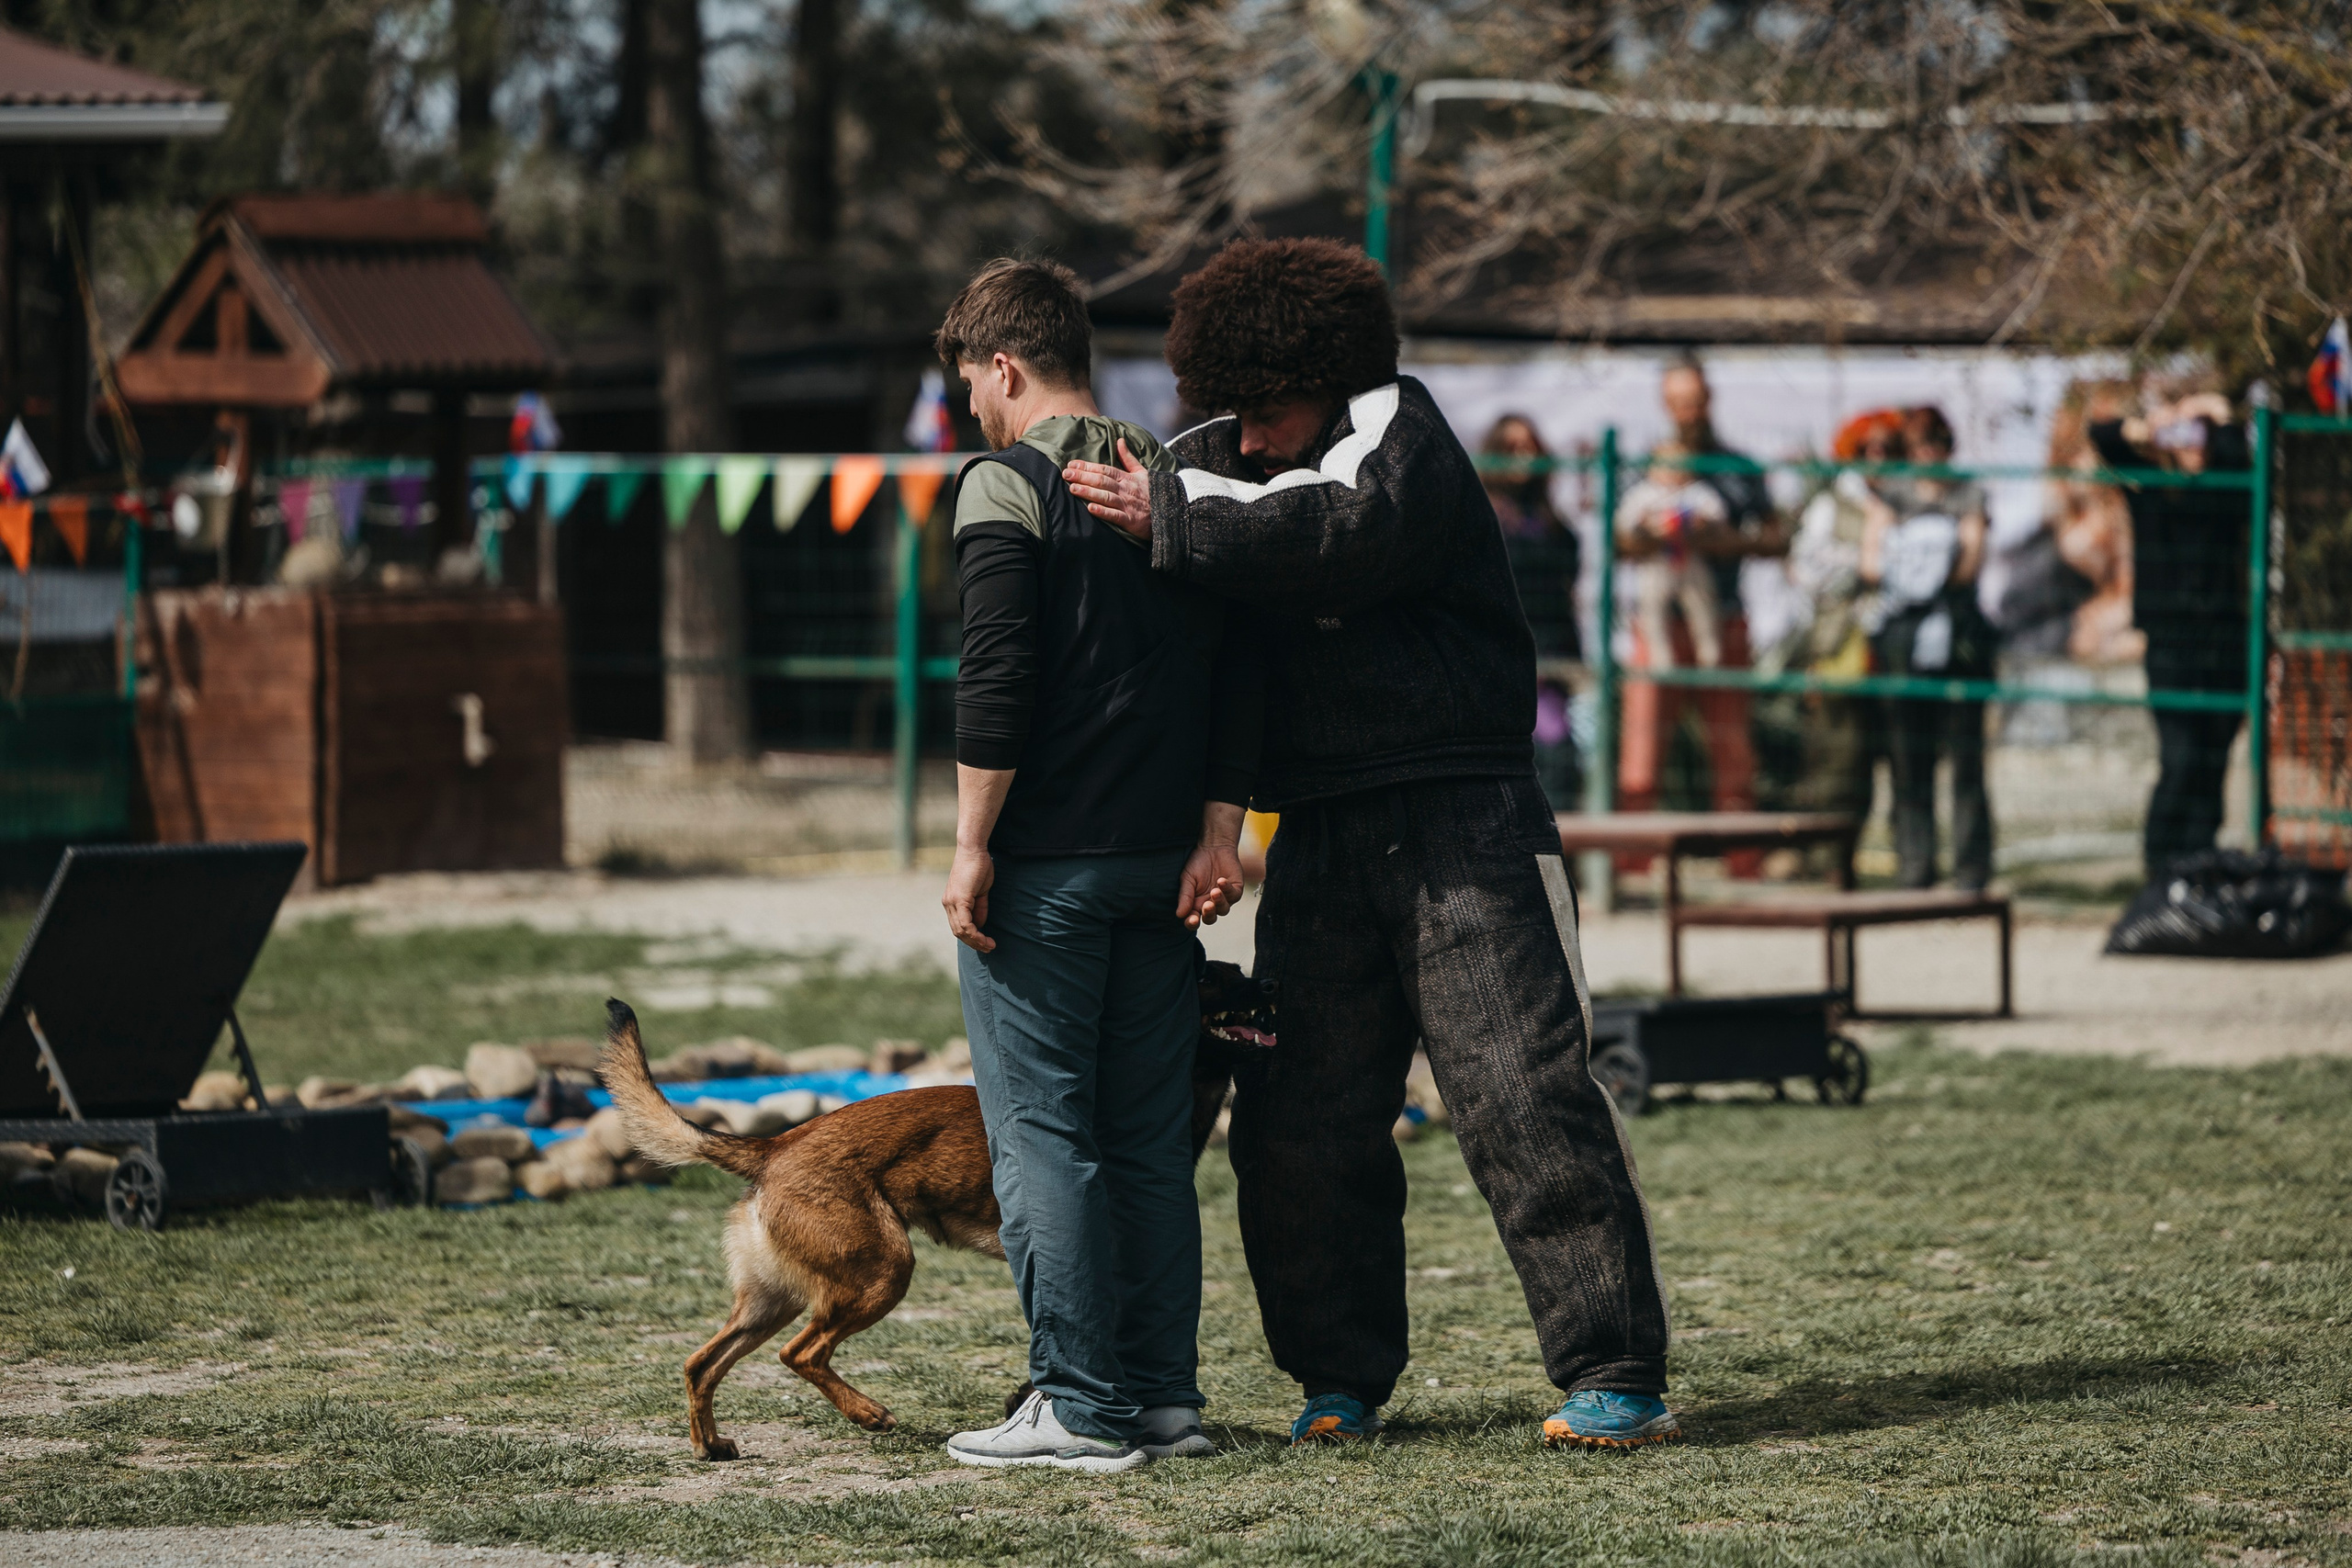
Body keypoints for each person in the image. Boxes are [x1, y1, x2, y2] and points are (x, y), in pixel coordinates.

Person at [1063, 237, 1678, 1452]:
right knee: (1297, 1124)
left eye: (1272, 411)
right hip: (1324, 834)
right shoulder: (1219, 457)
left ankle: (1616, 1370)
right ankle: (1336, 1378)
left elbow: (1335, 524)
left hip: (1471, 819)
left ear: (1336, 382)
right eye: (1230, 415)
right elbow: (1177, 496)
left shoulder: (1403, 440)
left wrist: (1168, 510)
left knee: (1524, 1097)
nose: (1252, 438)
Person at [932, 258, 1259, 1473]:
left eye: (971, 382)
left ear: (1004, 366)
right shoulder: (1179, 483)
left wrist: (972, 844)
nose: (971, 407)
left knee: (1044, 1137)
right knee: (1141, 1140)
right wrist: (1223, 830)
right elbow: (1240, 671)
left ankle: (1075, 1401)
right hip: (1161, 872)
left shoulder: (1005, 486)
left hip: (1050, 873)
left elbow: (998, 676)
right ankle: (1165, 1400)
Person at [2086, 385, 2252, 876]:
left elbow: (2236, 458)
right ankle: (2160, 867)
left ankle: (2199, 863)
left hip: (2224, 642)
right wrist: (2149, 427)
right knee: (2179, 758)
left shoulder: (2229, 489)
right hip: (2171, 644)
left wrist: (2218, 415)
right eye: (2183, 433)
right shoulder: (2152, 487)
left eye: (2197, 433)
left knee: (2213, 757)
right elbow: (2103, 437)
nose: (2190, 441)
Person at [1619, 357, 1779, 841]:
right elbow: (1619, 541)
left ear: (1710, 399)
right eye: (1679, 402)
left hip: (1721, 618)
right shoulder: (1644, 468)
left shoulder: (1737, 469)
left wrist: (1720, 539)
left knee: (1731, 754)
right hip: (1656, 623)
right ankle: (1629, 864)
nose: (1689, 411)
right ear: (1666, 405)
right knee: (1642, 751)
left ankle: (1742, 864)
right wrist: (1658, 534)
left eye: (1697, 400)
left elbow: (1775, 537)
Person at [1858, 406, 1995, 890]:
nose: (1928, 452)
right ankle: (1914, 865)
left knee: (1966, 760)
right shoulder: (1890, 497)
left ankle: (1970, 870)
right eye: (1918, 444)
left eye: (1937, 441)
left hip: (1958, 634)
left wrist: (1922, 565)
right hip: (1903, 638)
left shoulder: (1970, 493)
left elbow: (1969, 565)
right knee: (1907, 758)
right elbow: (1871, 562)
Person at [1480, 414, 1583, 808]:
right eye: (1511, 449)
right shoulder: (1484, 520)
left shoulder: (1553, 525)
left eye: (1529, 447)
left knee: (1557, 758)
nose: (1522, 458)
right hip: (1498, 660)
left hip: (1551, 662)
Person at [1615, 439, 1730, 672]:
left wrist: (1700, 522)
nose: (1673, 471)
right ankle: (1660, 657)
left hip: (1689, 559)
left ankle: (1709, 653)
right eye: (1666, 465)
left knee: (1702, 604)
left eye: (1680, 465)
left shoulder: (1696, 491)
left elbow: (1717, 514)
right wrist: (1646, 525)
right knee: (1651, 608)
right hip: (1657, 562)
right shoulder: (1644, 493)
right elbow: (1624, 522)